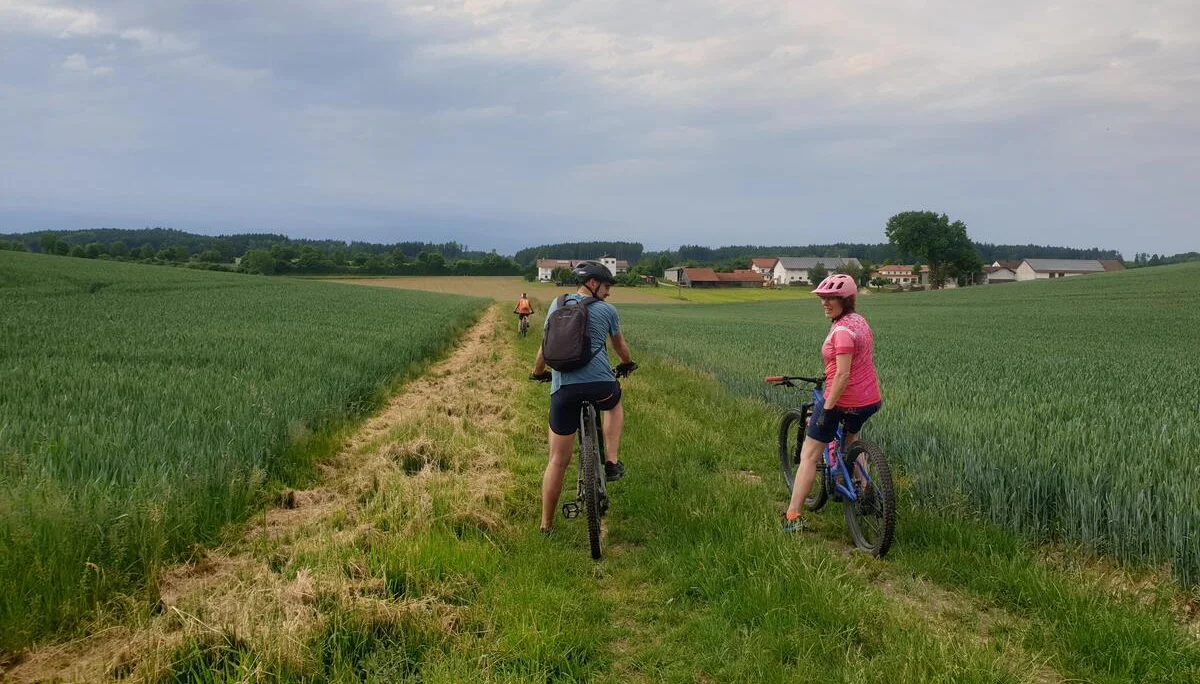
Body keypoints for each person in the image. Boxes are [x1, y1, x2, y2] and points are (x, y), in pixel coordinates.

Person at [530, 261, 635, 534]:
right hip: (601, 386)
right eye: (607, 286)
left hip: (564, 390)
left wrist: (538, 372)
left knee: (557, 460)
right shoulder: (608, 311)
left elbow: (545, 347)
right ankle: (611, 461)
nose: (609, 292)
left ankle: (546, 525)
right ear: (593, 283)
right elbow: (620, 347)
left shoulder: (557, 304)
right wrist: (627, 364)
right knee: (614, 403)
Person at [783, 273, 882, 532]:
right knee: (851, 440)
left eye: (832, 298)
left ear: (846, 300)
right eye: (823, 298)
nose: (825, 303)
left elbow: (843, 375)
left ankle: (792, 517)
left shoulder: (842, 331)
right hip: (869, 400)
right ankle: (866, 490)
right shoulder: (859, 321)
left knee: (809, 454)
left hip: (842, 399)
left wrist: (827, 410)